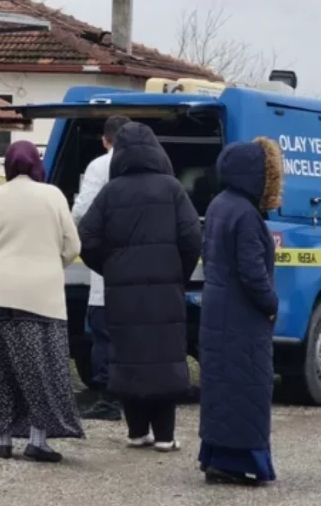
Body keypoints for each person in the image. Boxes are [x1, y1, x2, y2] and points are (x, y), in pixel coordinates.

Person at [78, 122, 202, 452]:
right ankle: (164, 436)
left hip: (122, 292)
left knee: (129, 359)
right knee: (163, 358)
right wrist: (179, 272)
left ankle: (136, 433)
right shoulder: (172, 188)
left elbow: (86, 238)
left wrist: (110, 269)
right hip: (165, 292)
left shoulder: (110, 192)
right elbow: (192, 238)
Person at [0, 141, 84, 462]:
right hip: (37, 298)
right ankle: (38, 440)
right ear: (37, 163)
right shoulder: (52, 195)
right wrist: (50, 264)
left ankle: (3, 438)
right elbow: (72, 244)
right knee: (39, 370)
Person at [198, 138, 283, 486]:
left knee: (221, 387)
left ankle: (216, 457)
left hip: (217, 309)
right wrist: (271, 304)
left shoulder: (220, 204)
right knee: (247, 386)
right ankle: (241, 460)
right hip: (242, 316)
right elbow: (252, 273)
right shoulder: (247, 214)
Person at [71, 114, 131, 422]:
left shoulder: (99, 166)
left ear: (105, 139)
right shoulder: (155, 166)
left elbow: (84, 210)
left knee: (103, 330)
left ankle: (108, 398)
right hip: (142, 266)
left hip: (108, 263)